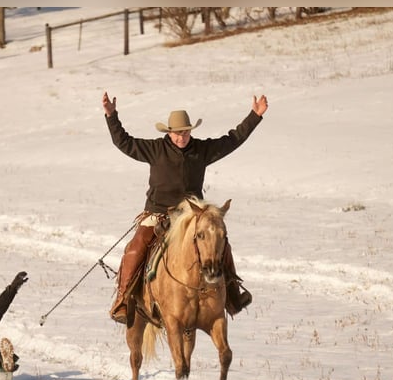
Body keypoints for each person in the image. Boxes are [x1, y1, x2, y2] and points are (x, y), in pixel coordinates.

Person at [102, 91, 268, 324]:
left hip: (192, 215)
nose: (182, 137)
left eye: (186, 132)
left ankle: (232, 294)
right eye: (178, 133)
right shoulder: (155, 149)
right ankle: (123, 300)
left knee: (219, 241)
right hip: (158, 213)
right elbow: (124, 142)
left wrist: (255, 115)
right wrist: (111, 115)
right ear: (169, 132)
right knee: (136, 246)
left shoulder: (201, 150)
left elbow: (232, 140)